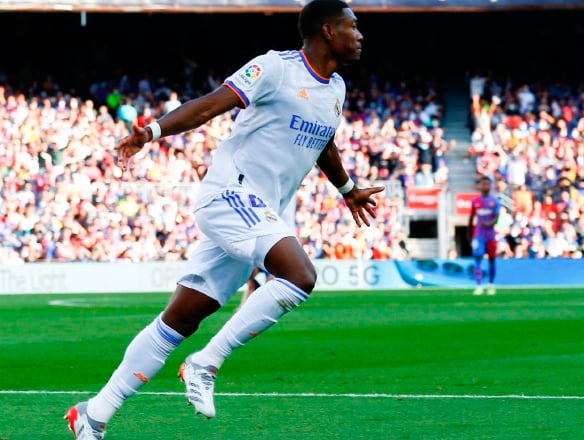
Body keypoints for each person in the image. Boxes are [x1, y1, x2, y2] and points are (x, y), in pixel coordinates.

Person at [64, 2, 382, 438]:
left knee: (178, 321)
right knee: (300, 275)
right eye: (353, 26)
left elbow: (324, 140)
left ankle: (93, 414)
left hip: (257, 211)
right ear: (328, 31)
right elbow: (211, 105)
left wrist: (348, 190)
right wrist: (152, 132)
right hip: (230, 193)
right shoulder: (275, 68)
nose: (360, 34)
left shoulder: (337, 88)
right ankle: (205, 363)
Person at [467, 175, 500, 295]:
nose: (486, 186)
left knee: (492, 260)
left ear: (490, 186)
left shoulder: (494, 201)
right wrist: (469, 233)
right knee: (478, 259)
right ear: (480, 186)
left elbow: (496, 218)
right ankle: (479, 285)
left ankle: (491, 284)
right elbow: (471, 218)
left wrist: (489, 223)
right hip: (478, 235)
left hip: (490, 235)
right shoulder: (475, 201)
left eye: (488, 184)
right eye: (483, 184)